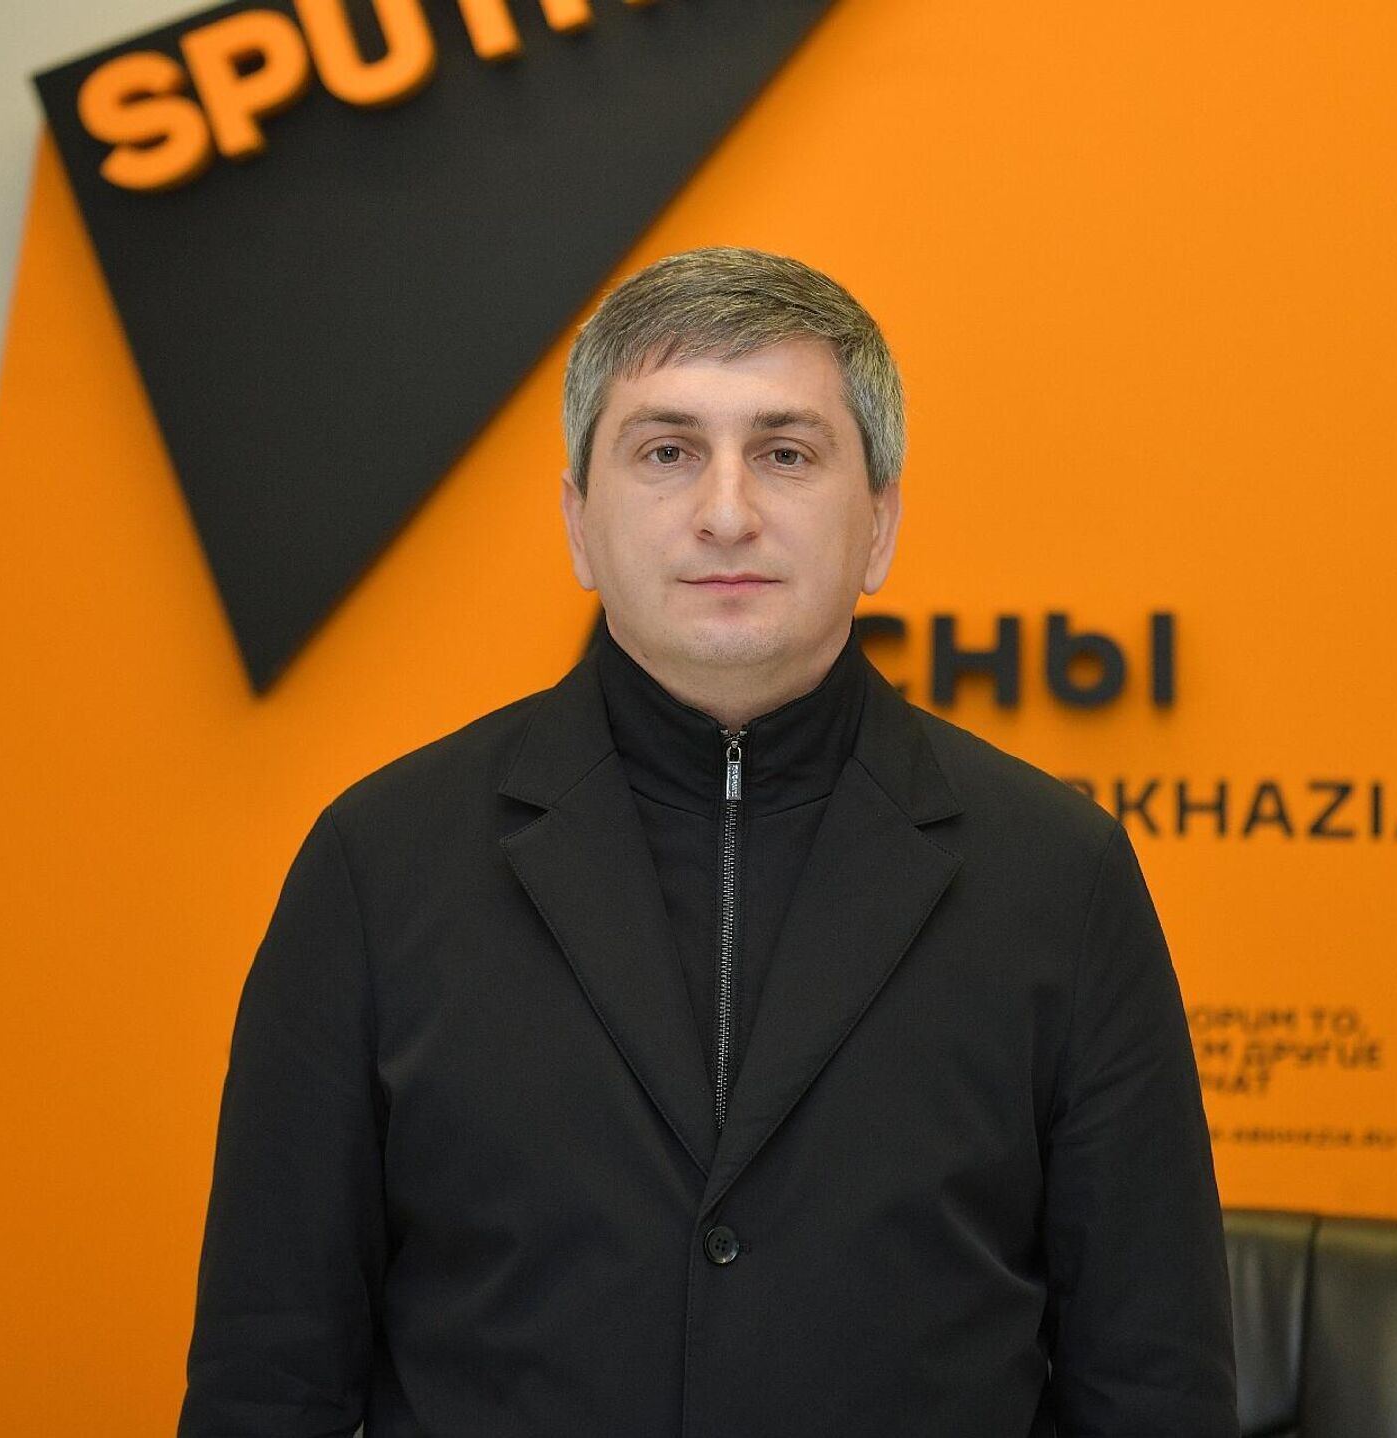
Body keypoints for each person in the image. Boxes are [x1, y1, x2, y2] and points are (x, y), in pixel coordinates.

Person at [177, 247, 1237, 1436]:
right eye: (667, 451)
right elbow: (268, 1384)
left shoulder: (1059, 877)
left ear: (880, 525)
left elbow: (1155, 1387)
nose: (727, 512)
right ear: (579, 525)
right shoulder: (378, 867)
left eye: (785, 453)